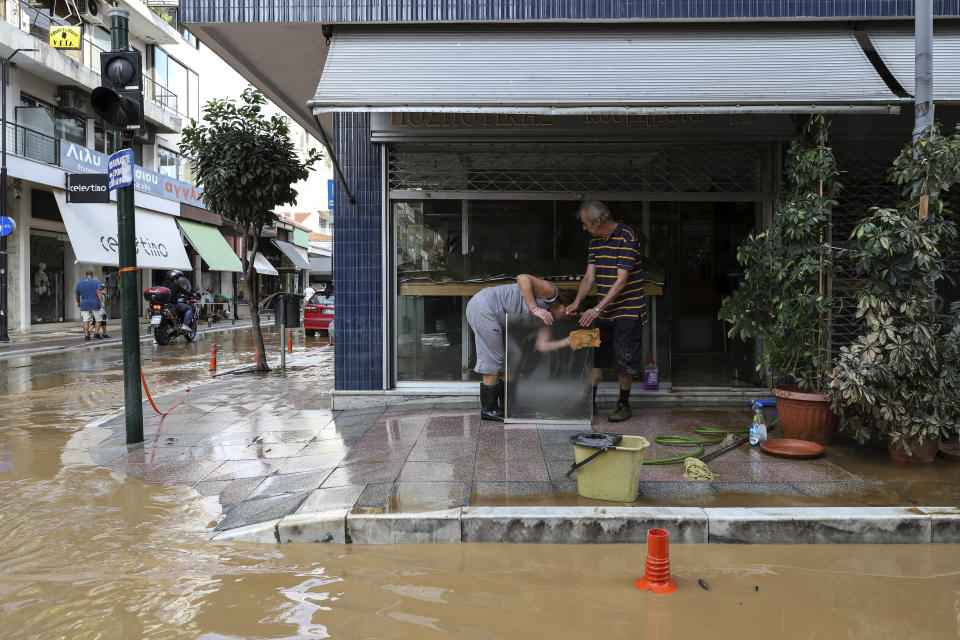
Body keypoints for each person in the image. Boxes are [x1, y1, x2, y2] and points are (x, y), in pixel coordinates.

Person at [566, 200, 646, 422]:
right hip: (604, 312)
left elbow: (621, 281)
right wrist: (577, 302)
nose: (584, 228)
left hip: (629, 311)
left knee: (624, 359)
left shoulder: (627, 237)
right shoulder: (595, 243)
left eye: (585, 224)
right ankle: (588, 402)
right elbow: (589, 277)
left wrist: (597, 308)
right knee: (595, 357)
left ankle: (624, 404)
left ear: (597, 221)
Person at [466, 273, 574, 421]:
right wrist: (534, 308)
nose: (570, 315)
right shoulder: (550, 292)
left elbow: (542, 346)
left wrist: (568, 341)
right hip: (485, 307)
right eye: (571, 310)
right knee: (493, 358)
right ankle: (488, 409)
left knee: (515, 355)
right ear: (565, 304)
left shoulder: (547, 319)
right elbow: (522, 278)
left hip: (499, 318)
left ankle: (508, 403)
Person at [74, 270, 105, 342]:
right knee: (98, 319)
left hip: (84, 304)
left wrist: (78, 302)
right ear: (92, 275)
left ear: (86, 275)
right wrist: (101, 302)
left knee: (85, 320)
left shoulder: (80, 282)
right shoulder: (96, 281)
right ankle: (96, 333)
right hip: (95, 303)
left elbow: (77, 294)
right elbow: (98, 292)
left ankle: (86, 336)